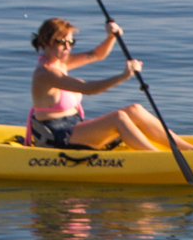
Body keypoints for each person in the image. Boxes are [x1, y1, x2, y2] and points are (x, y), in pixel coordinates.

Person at [26, 17, 184, 151]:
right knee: (118, 118)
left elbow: (96, 55)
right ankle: (157, 157)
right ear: (46, 41)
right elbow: (88, 89)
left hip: (74, 125)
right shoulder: (45, 73)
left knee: (135, 109)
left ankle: (187, 149)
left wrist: (111, 37)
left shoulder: (61, 62)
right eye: (61, 42)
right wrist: (123, 76)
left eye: (70, 42)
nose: (68, 48)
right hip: (57, 135)